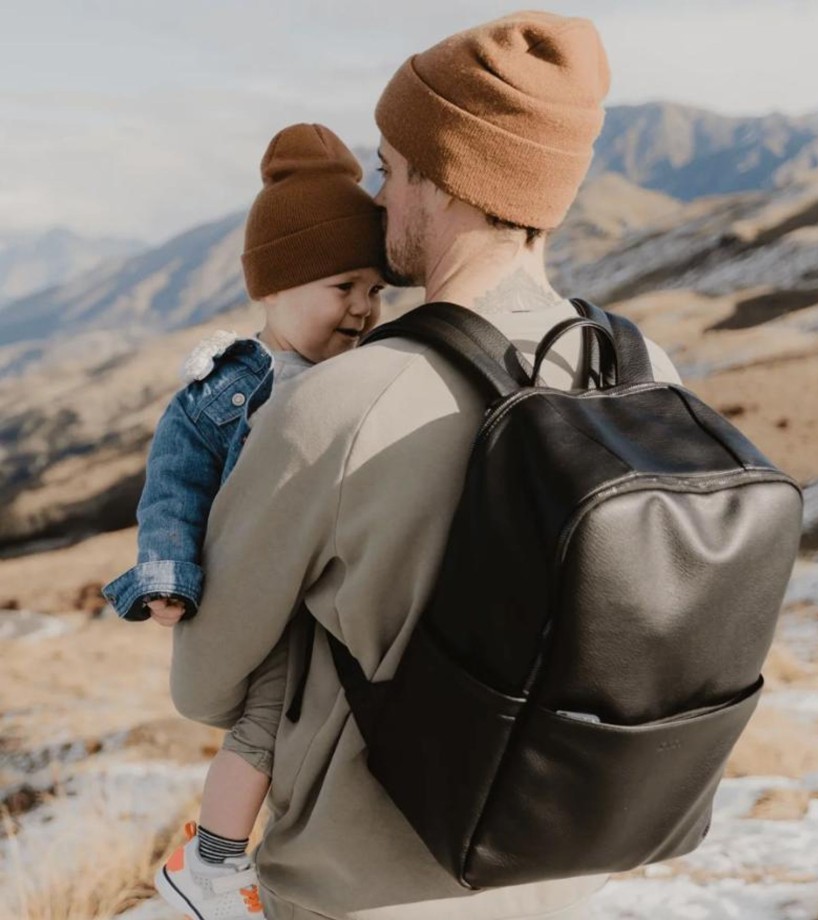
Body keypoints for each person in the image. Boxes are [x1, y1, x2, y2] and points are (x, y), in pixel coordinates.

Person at [169, 11, 683, 920]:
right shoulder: (646, 374)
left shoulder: (340, 403)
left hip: (363, 890)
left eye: (388, 169)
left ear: (446, 181)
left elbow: (203, 682)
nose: (378, 202)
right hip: (566, 876)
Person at [101, 123, 386, 919]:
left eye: (375, 290)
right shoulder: (225, 390)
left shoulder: (369, 376)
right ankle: (211, 867)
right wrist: (168, 574)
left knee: (313, 725)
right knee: (262, 724)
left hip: (325, 590)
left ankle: (277, 854)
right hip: (256, 590)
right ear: (278, 284)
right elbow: (174, 488)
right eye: (343, 287)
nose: (363, 308)